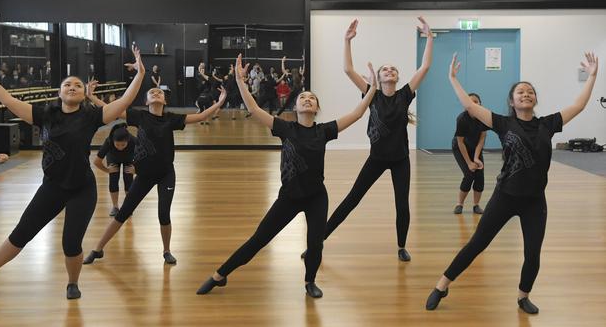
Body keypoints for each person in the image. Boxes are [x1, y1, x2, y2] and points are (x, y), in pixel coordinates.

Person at [425, 52, 599, 314]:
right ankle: (441, 285)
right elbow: (471, 108)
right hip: (505, 196)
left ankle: (522, 296)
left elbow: (579, 105)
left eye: (530, 91)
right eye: (520, 92)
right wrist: (452, 79)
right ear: (512, 100)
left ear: (535, 99)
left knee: (532, 253)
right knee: (477, 244)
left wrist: (593, 76)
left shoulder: (547, 124)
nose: (526, 94)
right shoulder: (503, 123)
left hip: (534, 200)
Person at [0, 46, 145, 300]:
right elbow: (7, 100)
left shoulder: (91, 116)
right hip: (52, 186)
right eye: (67, 85)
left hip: (82, 188)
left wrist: (139, 74)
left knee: (70, 243)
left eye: (77, 86)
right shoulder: (44, 115)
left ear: (84, 95)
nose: (72, 87)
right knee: (21, 233)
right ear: (59, 92)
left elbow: (125, 101)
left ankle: (72, 282)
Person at [196, 54, 378, 298]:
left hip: (316, 196)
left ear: (316, 108)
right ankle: (220, 274)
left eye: (312, 98)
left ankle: (309, 281)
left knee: (315, 243)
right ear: (296, 106)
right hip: (289, 196)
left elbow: (356, 114)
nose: (307, 99)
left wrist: (373, 89)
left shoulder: (324, 131)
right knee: (258, 240)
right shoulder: (285, 128)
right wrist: (240, 81)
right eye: (303, 97)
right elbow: (253, 108)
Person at [310, 17, 433, 262]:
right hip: (376, 159)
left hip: (400, 159)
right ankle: (318, 241)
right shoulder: (371, 94)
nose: (390, 71)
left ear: (397, 78)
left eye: (393, 69)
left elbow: (425, 67)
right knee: (352, 199)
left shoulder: (404, 95)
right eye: (385, 69)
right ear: (377, 77)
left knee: (403, 205)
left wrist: (429, 38)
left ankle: (401, 246)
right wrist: (347, 41)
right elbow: (347, 69)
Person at [82, 84, 227, 266]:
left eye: (159, 92)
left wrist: (220, 102)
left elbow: (202, 116)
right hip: (144, 175)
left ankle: (166, 251)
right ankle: (98, 249)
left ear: (164, 100)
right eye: (152, 92)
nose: (156, 93)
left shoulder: (171, 119)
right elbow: (114, 110)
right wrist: (92, 96)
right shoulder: (139, 116)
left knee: (163, 214)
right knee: (123, 213)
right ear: (146, 101)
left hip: (166, 173)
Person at [91, 118, 136, 217]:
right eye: (117, 145)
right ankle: (115, 207)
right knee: (113, 180)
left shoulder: (133, 141)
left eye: (123, 145)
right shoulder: (109, 141)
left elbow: (145, 158)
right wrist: (107, 170)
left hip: (129, 159)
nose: (120, 147)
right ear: (113, 141)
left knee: (128, 180)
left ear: (128, 141)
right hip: (113, 159)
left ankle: (128, 207)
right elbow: (96, 161)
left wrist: (136, 169)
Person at [452, 93, 487, 214]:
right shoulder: (462, 119)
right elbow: (460, 142)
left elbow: (482, 138)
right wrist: (469, 163)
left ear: (480, 103)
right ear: (465, 105)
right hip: (460, 148)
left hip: (475, 148)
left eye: (476, 101)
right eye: (470, 101)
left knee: (479, 176)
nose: (473, 104)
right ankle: (459, 204)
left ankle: (476, 205)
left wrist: (476, 158)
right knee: (469, 174)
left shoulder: (484, 117)